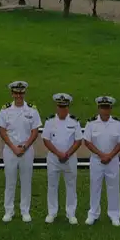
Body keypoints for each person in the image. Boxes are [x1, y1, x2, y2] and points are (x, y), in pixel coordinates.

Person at [0, 80, 41, 222]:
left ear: (24, 93)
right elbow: (2, 131)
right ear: (12, 94)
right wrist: (13, 147)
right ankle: (8, 211)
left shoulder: (32, 110)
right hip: (10, 150)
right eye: (16, 93)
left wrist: (25, 146)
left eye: (21, 93)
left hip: (26, 150)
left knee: (26, 181)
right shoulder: (5, 110)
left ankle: (25, 211)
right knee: (10, 181)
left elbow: (35, 131)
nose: (18, 96)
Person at [83, 95, 120, 227]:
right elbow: (87, 141)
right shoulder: (91, 123)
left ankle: (114, 215)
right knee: (95, 187)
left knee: (113, 187)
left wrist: (110, 156)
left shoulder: (117, 124)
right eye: (102, 107)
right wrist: (101, 155)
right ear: (98, 108)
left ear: (111, 108)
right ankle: (93, 214)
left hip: (112, 160)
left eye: (107, 107)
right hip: (97, 160)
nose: (105, 110)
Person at [41, 92, 83, 225]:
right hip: (54, 159)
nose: (62, 109)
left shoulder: (74, 122)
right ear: (56, 107)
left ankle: (71, 213)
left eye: (65, 107)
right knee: (52, 185)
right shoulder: (50, 121)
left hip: (70, 159)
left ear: (68, 107)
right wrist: (58, 153)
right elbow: (46, 140)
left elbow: (78, 140)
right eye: (60, 106)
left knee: (71, 186)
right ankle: (52, 212)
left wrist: (67, 154)